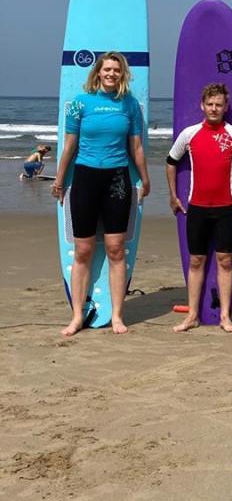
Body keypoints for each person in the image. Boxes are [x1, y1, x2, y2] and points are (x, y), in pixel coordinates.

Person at [51, 52, 150, 336]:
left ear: (122, 74)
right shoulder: (81, 103)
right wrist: (59, 180)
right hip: (85, 178)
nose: (111, 74)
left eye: (116, 70)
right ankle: (77, 316)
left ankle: (118, 315)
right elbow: (69, 145)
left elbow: (137, 148)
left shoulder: (130, 105)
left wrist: (145, 178)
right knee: (82, 250)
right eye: (107, 69)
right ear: (98, 72)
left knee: (116, 250)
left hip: (117, 179)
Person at [166, 82, 232, 333]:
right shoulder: (189, 134)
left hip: (226, 208)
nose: (214, 108)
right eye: (209, 104)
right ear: (202, 105)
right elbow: (170, 161)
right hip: (196, 208)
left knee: (224, 261)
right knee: (196, 261)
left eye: (218, 104)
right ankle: (192, 316)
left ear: (225, 106)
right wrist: (173, 196)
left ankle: (224, 316)